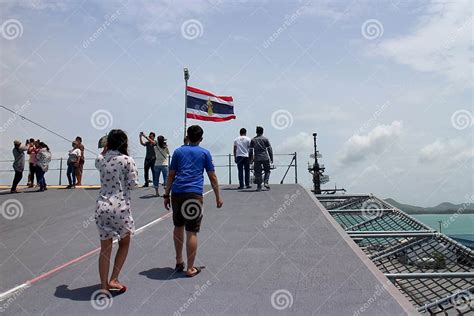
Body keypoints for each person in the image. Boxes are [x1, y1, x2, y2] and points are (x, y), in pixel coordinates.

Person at [164, 125, 223, 277]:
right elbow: (212, 177)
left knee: (178, 226)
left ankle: (178, 261)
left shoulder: (178, 152)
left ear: (188, 137)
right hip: (193, 195)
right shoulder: (205, 153)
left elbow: (171, 175)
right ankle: (190, 268)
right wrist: (218, 196)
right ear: (201, 138)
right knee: (192, 231)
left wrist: (166, 194)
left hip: (177, 193)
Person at [95, 129, 138, 295]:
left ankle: (103, 286)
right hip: (120, 207)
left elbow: (99, 157)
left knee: (105, 248)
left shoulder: (101, 160)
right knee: (124, 242)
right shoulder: (127, 160)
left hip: (101, 206)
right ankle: (114, 278)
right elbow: (132, 184)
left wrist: (105, 150)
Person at [249, 126, 273, 192]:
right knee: (267, 171)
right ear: (262, 132)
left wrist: (250, 159)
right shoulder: (265, 139)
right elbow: (269, 149)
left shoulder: (253, 140)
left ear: (256, 132)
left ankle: (259, 186)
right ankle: (266, 182)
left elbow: (250, 151)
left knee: (257, 172)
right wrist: (271, 158)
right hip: (265, 157)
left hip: (257, 158)